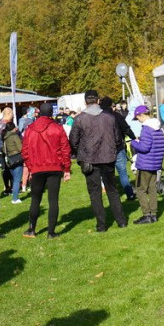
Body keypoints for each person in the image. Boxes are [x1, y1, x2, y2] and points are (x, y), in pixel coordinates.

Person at [70, 90, 127, 232]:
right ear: (98, 100)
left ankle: (102, 225)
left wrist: (80, 152)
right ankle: (121, 221)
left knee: (95, 193)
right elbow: (117, 138)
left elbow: (73, 140)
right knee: (112, 190)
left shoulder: (80, 119)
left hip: (91, 159)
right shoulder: (109, 117)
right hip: (106, 157)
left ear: (85, 102)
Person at [22, 103, 71, 238]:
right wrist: (66, 168)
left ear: (39, 113)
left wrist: (31, 167)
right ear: (51, 113)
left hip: (38, 167)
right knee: (53, 200)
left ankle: (32, 229)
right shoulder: (57, 128)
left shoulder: (30, 129)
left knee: (35, 199)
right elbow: (65, 149)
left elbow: (25, 151)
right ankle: (51, 232)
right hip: (54, 167)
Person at [129, 105, 164, 223]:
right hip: (156, 163)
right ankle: (154, 214)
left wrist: (134, 142)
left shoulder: (146, 128)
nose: (138, 121)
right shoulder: (158, 128)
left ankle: (146, 215)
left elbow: (144, 148)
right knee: (152, 189)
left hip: (145, 163)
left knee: (140, 189)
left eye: (137, 118)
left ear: (142, 115)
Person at [100, 96, 137, 201]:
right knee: (122, 172)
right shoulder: (117, 116)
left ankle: (112, 195)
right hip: (118, 147)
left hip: (104, 150)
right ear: (111, 105)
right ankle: (129, 193)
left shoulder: (98, 118)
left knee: (107, 173)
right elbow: (126, 129)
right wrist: (134, 138)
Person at [2, 121, 24, 204]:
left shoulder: (5, 137)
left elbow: (4, 150)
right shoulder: (15, 136)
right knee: (17, 180)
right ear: (13, 128)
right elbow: (20, 148)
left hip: (9, 160)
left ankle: (14, 194)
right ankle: (15, 198)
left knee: (14, 179)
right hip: (17, 159)